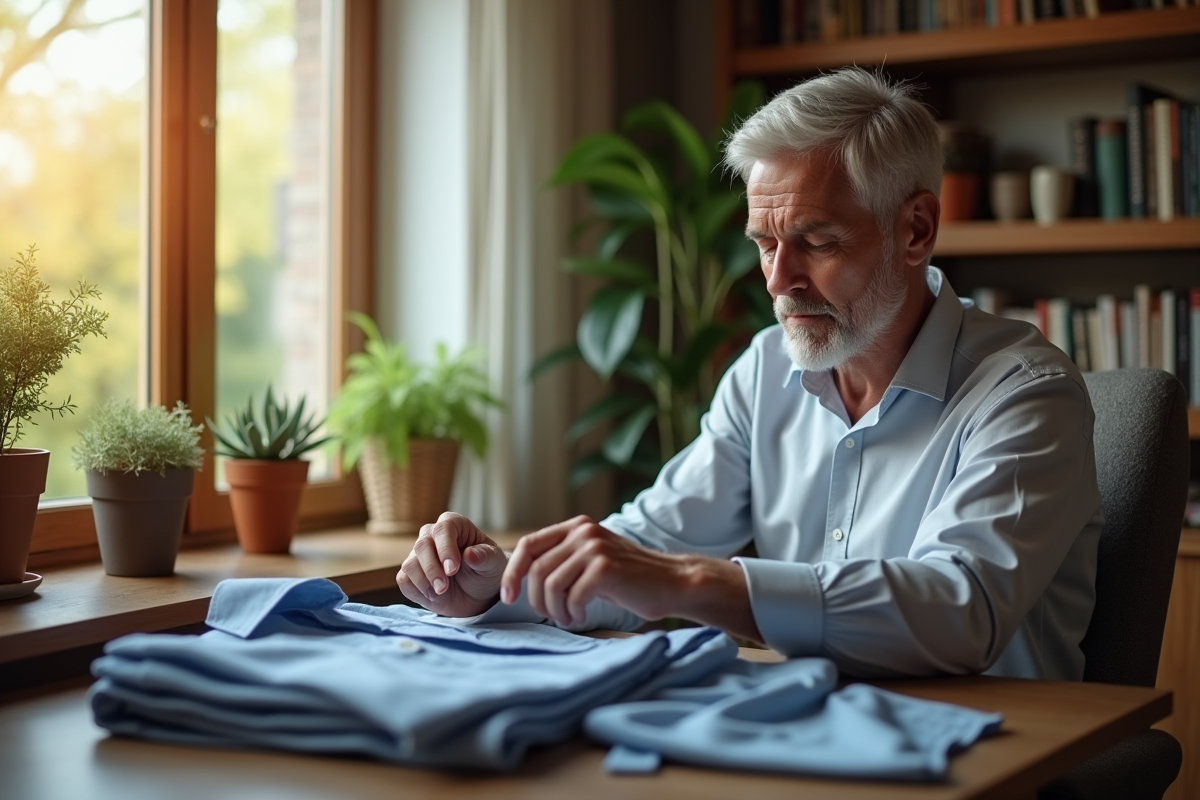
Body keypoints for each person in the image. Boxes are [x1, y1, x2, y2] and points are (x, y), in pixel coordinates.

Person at [396, 67, 1103, 680]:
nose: (778, 280)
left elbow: (962, 609)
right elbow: (653, 543)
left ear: (915, 229)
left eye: (816, 242)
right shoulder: (766, 369)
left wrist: (696, 582)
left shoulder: (1026, 394)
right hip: (809, 730)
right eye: (764, 244)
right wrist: (499, 583)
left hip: (997, 752)